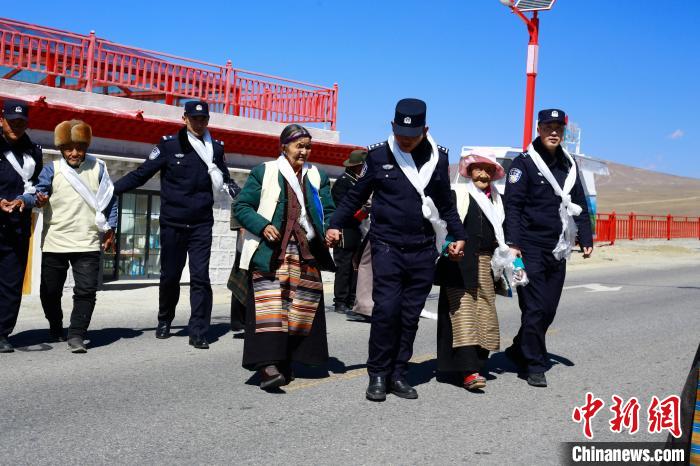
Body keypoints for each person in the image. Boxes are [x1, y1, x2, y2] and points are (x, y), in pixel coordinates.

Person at [327, 98, 466, 401]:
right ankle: (378, 374)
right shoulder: (378, 155)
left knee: (409, 315)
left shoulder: (438, 158)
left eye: (412, 136)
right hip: (387, 246)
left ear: (425, 130)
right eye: (400, 134)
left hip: (423, 249)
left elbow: (446, 203)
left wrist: (458, 234)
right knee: (386, 311)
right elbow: (355, 196)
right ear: (392, 126)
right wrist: (335, 224)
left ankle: (398, 373)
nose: (405, 140)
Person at [114, 100, 241, 349]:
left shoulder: (215, 148)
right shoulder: (169, 145)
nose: (199, 123)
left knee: (200, 278)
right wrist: (111, 191)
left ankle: (199, 331)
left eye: (203, 119)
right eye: (194, 119)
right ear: (184, 119)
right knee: (170, 276)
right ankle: (165, 319)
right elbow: (142, 174)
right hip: (173, 222)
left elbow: (226, 180)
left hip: (201, 224)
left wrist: (245, 200)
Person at [233, 124, 336, 390]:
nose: (304, 151)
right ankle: (267, 367)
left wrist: (331, 229)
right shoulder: (265, 171)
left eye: (308, 147)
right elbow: (241, 206)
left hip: (305, 252)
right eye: (299, 146)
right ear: (283, 147)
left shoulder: (317, 176)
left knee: (300, 309)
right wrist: (262, 225)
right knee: (270, 310)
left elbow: (328, 210)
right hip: (271, 253)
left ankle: (287, 360)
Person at [503, 108, 593, 387]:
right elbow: (513, 206)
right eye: (548, 127)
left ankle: (519, 347)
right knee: (534, 307)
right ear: (539, 129)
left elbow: (579, 201)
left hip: (558, 247)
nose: (554, 132)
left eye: (558, 128)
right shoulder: (524, 163)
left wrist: (586, 238)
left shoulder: (569, 165)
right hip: (529, 247)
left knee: (549, 309)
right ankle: (534, 364)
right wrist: (513, 243)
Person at [34, 120, 117, 353]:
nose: (74, 153)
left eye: (79, 148)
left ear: (86, 147)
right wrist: (38, 199)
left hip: (87, 240)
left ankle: (77, 334)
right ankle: (55, 324)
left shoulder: (98, 167)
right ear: (61, 148)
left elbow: (110, 200)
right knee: (50, 291)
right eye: (68, 148)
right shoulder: (52, 169)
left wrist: (111, 229)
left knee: (86, 290)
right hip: (55, 240)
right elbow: (40, 192)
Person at [434, 149, 509, 391]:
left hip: (486, 265)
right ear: (469, 171)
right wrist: (447, 246)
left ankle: (478, 362)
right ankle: (468, 371)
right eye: (479, 169)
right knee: (463, 314)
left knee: (485, 313)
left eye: (488, 170)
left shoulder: (498, 201)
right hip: (458, 264)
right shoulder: (457, 195)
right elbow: (441, 226)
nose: (483, 175)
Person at [0, 100, 44, 353]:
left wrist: (35, 198)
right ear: (1, 121)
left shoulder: (34, 151)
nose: (16, 126)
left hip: (18, 225)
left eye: (21, 122)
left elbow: (37, 185)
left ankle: (2, 333)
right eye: (11, 121)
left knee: (11, 282)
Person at [330, 149, 367, 315]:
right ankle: (340, 301)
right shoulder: (343, 182)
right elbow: (342, 208)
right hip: (344, 229)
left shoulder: (357, 182)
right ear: (356, 166)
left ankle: (352, 299)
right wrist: (363, 211)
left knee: (355, 266)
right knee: (344, 267)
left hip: (356, 229)